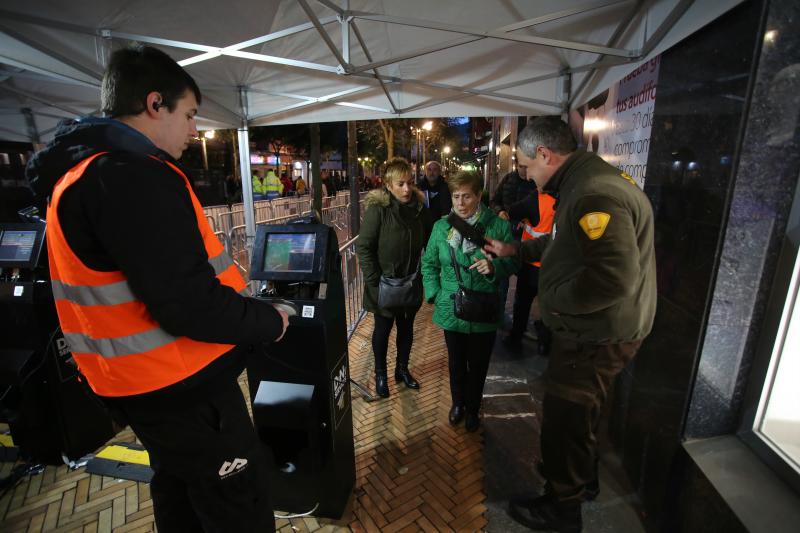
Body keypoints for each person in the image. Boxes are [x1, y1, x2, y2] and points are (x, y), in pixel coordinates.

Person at [26, 45, 289, 533]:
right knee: (236, 503)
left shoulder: (78, 176)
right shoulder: (130, 176)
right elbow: (187, 303)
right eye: (188, 114)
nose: (194, 130)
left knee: (180, 496)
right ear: (154, 104)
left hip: (138, 387)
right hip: (182, 385)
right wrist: (269, 320)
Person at [484, 117, 656, 532]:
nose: (526, 176)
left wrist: (555, 302)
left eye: (527, 166)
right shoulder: (584, 183)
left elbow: (613, 278)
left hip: (594, 334)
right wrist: (516, 249)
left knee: (566, 419)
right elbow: (564, 241)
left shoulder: (593, 193)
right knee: (583, 413)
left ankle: (562, 508)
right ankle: (582, 480)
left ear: (545, 154)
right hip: (601, 330)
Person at [422, 170, 517, 432]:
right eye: (456, 197)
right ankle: (458, 404)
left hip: (484, 308)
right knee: (455, 362)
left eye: (466, 196)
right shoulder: (441, 227)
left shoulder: (497, 226)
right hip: (452, 307)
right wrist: (435, 293)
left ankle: (473, 408)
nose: (460, 203)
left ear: (478, 197)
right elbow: (429, 264)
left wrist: (495, 267)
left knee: (478, 364)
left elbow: (513, 262)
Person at [356, 158, 431, 398]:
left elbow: (429, 243)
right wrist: (374, 281)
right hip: (384, 285)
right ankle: (381, 375)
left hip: (410, 283)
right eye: (400, 184)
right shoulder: (378, 210)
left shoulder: (419, 209)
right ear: (388, 185)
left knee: (406, 329)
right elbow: (364, 247)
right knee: (382, 330)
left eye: (409, 182)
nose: (407, 189)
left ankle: (402, 370)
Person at [491, 164, 555, 355]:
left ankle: (516, 337)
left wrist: (504, 213)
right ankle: (545, 343)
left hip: (531, 261)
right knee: (548, 305)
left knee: (522, 302)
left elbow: (512, 211)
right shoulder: (564, 199)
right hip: (552, 264)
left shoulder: (537, 198)